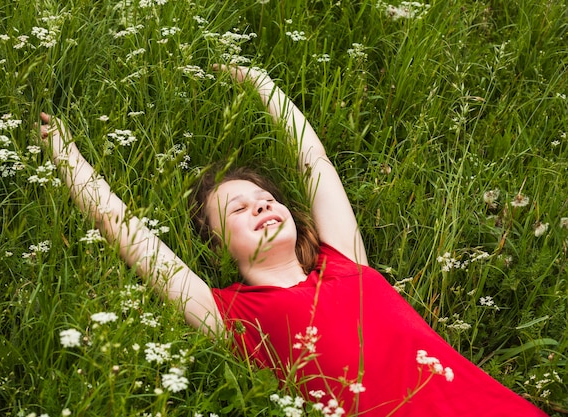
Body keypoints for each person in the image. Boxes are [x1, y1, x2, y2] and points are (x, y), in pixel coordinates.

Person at [39, 66, 547, 416]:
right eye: (237, 209)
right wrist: (67, 159)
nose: (259, 206)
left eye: (264, 198)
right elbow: (132, 238)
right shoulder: (233, 318)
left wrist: (261, 84)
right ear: (218, 247)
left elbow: (315, 163)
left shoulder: (346, 262)